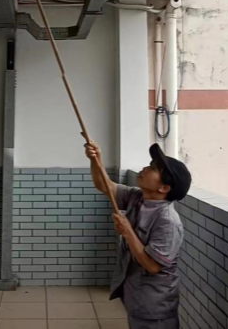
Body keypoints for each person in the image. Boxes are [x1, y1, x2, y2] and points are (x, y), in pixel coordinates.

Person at [85, 141, 191, 329]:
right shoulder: (138, 197)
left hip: (155, 304)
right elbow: (105, 186)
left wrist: (127, 231)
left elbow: (153, 266)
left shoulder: (167, 221)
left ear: (164, 188)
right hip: (136, 295)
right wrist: (96, 159)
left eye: (153, 169)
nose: (145, 168)